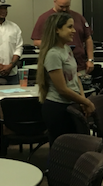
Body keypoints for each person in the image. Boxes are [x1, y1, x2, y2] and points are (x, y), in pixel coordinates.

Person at [36, 12, 95, 145]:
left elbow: (75, 77)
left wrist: (82, 99)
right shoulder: (53, 54)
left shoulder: (66, 49)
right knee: (61, 150)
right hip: (57, 108)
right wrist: (87, 103)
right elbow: (62, 89)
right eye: (69, 27)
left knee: (74, 148)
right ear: (57, 29)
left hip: (71, 104)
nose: (74, 31)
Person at [32, 0, 94, 74]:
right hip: (56, 65)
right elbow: (36, 41)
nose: (64, 9)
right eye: (61, 6)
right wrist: (59, 46)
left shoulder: (78, 17)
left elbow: (88, 38)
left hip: (79, 64)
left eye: (67, 6)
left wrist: (90, 59)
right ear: (55, 2)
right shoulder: (45, 18)